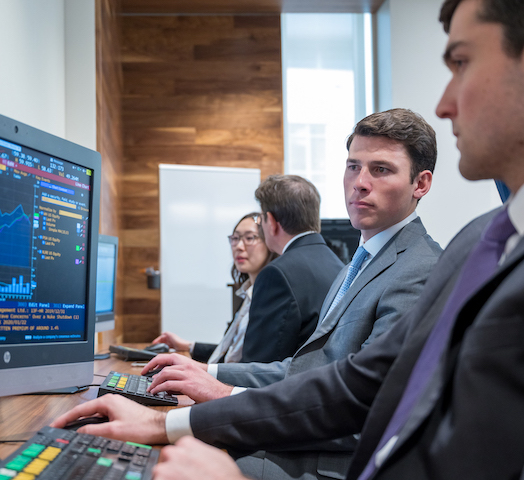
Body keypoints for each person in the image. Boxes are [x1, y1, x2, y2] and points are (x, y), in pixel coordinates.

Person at [53, 0, 524, 478]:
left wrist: (192, 416)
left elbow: (377, 415)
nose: (359, 183)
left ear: (420, 184)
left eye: (462, 63)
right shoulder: (471, 240)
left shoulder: (426, 264)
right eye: (353, 167)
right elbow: (343, 383)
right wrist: (182, 407)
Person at [181, 174, 344, 364]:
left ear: (272, 223)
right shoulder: (339, 266)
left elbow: (257, 365)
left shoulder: (277, 274)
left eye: (251, 236)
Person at [154, 212, 278, 364]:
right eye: (235, 238)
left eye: (249, 238)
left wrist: (197, 370)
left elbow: (248, 366)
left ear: (270, 243)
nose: (239, 246)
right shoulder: (248, 294)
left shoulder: (268, 299)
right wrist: (187, 346)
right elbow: (230, 353)